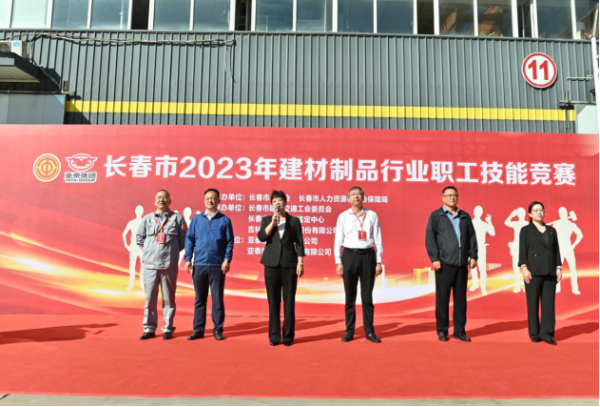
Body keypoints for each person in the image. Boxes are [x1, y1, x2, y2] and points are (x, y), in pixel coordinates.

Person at [425, 186, 477, 342]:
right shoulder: (436, 216)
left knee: (461, 299)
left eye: (454, 195)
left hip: (462, 264)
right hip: (444, 263)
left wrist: (473, 256)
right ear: (443, 198)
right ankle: (442, 330)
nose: (452, 197)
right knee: (443, 299)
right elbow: (430, 238)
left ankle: (459, 331)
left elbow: (472, 237)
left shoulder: (464, 216)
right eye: (448, 195)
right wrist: (435, 258)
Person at [334, 186, 383, 344]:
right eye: (353, 194)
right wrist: (338, 261)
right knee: (350, 296)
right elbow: (338, 241)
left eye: (359, 194)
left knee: (367, 296)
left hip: (368, 256)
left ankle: (369, 331)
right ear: (348, 199)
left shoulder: (372, 215)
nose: (356, 197)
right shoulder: (343, 216)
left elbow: (378, 240)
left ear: (363, 197)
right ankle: (349, 330)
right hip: (349, 256)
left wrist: (379, 261)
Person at [136, 189, 187, 340]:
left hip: (169, 265)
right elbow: (139, 239)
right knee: (150, 298)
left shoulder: (178, 219)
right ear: (154, 201)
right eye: (159, 197)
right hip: (150, 265)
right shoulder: (147, 219)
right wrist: (150, 251)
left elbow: (184, 241)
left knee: (168, 299)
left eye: (165, 198)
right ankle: (149, 328)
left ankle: (168, 328)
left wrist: (170, 252)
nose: (161, 200)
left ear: (170, 201)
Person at [185, 189, 234, 341]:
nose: (210, 201)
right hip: (199, 264)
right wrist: (188, 259)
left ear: (219, 200)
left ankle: (218, 329)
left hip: (217, 265)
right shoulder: (196, 220)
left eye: (213, 198)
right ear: (204, 200)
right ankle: (198, 329)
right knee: (200, 299)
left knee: (217, 299)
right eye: (207, 198)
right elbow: (190, 240)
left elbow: (229, 242)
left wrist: (226, 260)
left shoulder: (225, 220)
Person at [257, 190, 305, 346]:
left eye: (280, 200)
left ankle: (288, 336)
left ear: (285, 202)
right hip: (271, 264)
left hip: (289, 264)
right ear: (271, 204)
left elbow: (299, 243)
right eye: (274, 201)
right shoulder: (266, 220)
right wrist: (273, 222)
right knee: (273, 301)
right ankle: (274, 336)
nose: (277, 203)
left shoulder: (294, 221)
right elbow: (262, 237)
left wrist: (300, 263)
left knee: (289, 301)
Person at [519, 201, 562, 345]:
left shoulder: (551, 230)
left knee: (549, 304)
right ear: (530, 214)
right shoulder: (526, 230)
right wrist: (524, 268)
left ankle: (547, 333)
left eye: (541, 210)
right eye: (536, 210)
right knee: (533, 304)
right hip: (533, 272)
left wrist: (558, 267)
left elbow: (556, 250)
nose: (539, 212)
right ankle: (534, 333)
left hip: (550, 271)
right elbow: (522, 250)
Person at [551, 207, 583, 295]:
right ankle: (557, 288)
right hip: (560, 249)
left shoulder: (571, 224)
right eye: (560, 213)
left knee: (572, 269)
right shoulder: (556, 224)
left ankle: (575, 288)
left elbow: (580, 235)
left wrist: (574, 245)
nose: (561, 214)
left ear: (566, 213)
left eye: (562, 213)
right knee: (558, 269)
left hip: (568, 248)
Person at [470, 205, 495, 296]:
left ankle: (483, 287)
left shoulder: (483, 224)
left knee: (482, 269)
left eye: (479, 211)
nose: (478, 212)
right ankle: (475, 284)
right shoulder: (470, 223)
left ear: (481, 213)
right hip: (472, 248)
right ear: (474, 212)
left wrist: (489, 222)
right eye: (476, 211)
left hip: (481, 248)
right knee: (473, 268)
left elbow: (492, 233)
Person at [505, 208, 529, 293]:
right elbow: (506, 222)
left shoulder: (527, 224)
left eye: (522, 213)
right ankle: (517, 286)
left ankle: (526, 286)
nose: (521, 215)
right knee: (516, 268)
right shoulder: (516, 223)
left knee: (525, 268)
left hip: (525, 247)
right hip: (516, 247)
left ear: (524, 214)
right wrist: (512, 214)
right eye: (519, 213)